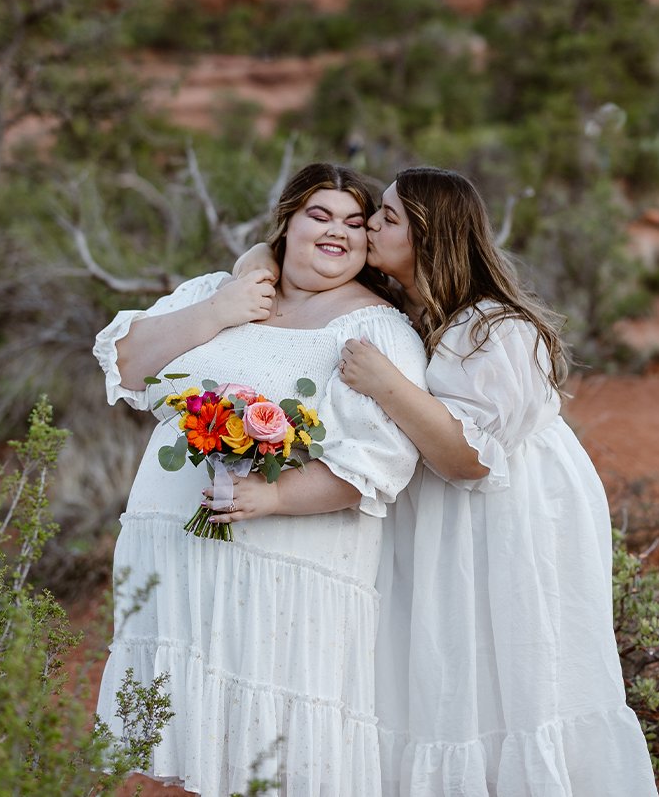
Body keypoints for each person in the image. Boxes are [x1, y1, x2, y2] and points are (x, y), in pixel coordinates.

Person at [92, 163, 428, 797]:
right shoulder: (223, 290)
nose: (337, 233)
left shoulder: (376, 331)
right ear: (287, 222)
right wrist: (221, 309)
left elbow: (380, 463)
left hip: (283, 565)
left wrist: (274, 495)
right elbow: (129, 365)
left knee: (273, 743)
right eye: (319, 216)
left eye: (356, 223)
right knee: (181, 735)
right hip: (175, 552)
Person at [341, 166, 659, 797]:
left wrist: (385, 383)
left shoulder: (494, 328)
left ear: (431, 238)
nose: (369, 226)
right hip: (442, 521)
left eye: (387, 217)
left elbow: (469, 459)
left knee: (510, 668)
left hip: (508, 517)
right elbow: (270, 253)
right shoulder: (410, 312)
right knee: (443, 670)